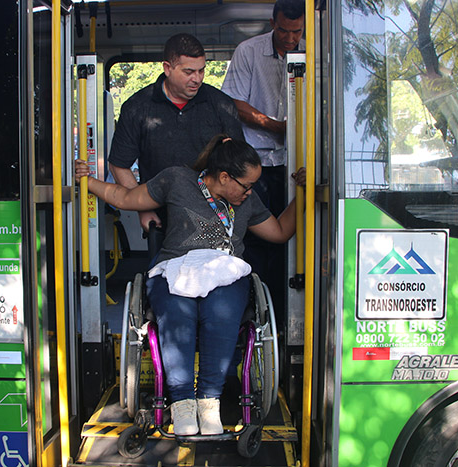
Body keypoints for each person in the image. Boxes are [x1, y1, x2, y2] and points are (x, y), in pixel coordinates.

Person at [76, 135, 304, 436]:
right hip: (175, 267)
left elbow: (279, 232)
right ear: (224, 177)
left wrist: (303, 192)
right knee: (178, 314)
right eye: (246, 185)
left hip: (226, 270)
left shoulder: (247, 202)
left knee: (220, 311)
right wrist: (88, 181)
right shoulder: (177, 180)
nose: (250, 192)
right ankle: (182, 402)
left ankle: (209, 401)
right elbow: (125, 198)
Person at [221, 0, 305, 335]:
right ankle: (254, 318)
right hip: (257, 165)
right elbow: (234, 103)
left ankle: (288, 321)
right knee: (255, 242)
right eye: (283, 30)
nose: (289, 38)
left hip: (296, 164)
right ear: (273, 22)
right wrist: (274, 126)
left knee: (296, 243)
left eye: (296, 32)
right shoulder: (248, 51)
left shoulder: (315, 50)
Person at [107, 33, 245, 232]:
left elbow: (239, 163)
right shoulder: (137, 107)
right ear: (167, 68)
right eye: (189, 72)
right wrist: (142, 209)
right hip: (162, 216)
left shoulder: (221, 104)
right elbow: (119, 164)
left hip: (215, 214)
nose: (197, 79)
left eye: (201, 71)